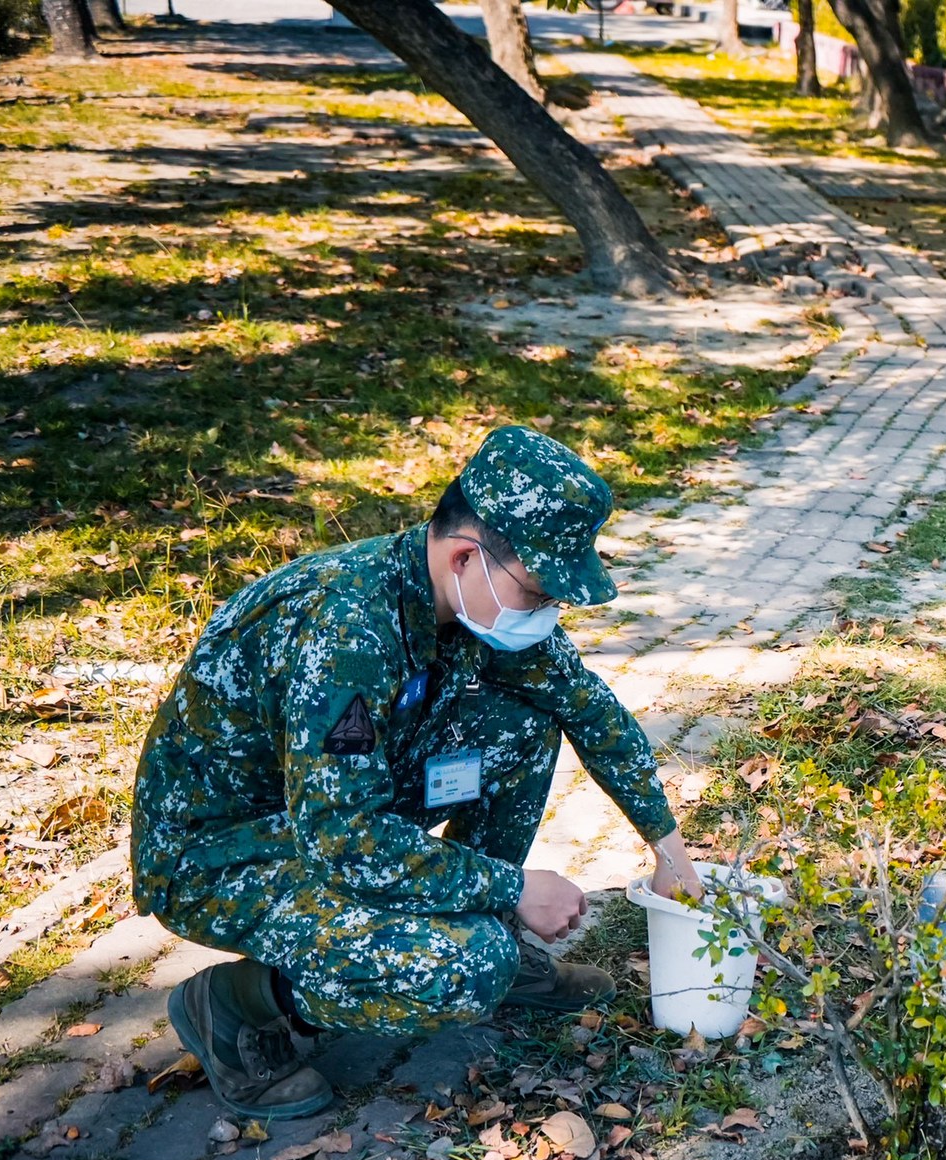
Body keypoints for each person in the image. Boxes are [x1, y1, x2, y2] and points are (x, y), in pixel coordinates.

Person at [133, 426, 705, 1122]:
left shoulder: (470, 599)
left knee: (521, 725)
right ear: (467, 556)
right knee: (467, 968)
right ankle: (239, 1007)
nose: (549, 614)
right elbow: (347, 839)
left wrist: (668, 849)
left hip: (323, 813)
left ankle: (487, 924)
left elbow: (587, 708)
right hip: (222, 852)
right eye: (540, 592)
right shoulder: (348, 630)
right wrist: (515, 885)